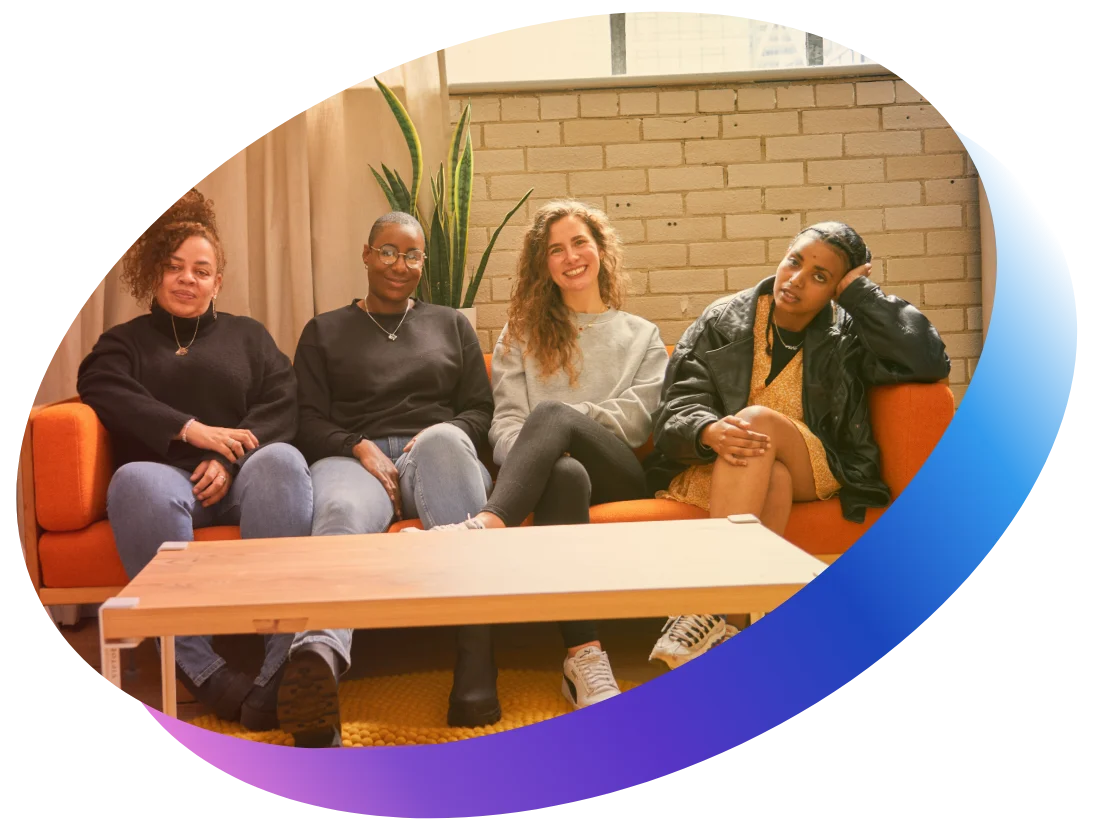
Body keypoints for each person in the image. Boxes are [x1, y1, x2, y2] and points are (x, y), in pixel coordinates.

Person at [642, 221, 951, 669]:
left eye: (821, 277)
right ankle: (732, 641)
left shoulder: (848, 333)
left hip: (819, 462)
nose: (797, 280)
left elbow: (927, 360)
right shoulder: (722, 319)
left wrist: (860, 296)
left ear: (837, 290)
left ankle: (707, 594)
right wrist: (706, 431)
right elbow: (675, 409)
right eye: (794, 261)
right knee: (772, 474)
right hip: (722, 464)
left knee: (756, 423)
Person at [406, 200, 669, 712]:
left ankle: (484, 526)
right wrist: (545, 451)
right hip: (552, 475)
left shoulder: (641, 335)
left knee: (552, 414)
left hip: (618, 469)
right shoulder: (520, 335)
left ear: (600, 250)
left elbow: (639, 422)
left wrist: (565, 423)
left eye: (579, 243)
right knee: (564, 472)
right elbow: (504, 427)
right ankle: (584, 655)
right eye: (556, 249)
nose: (570, 257)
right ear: (541, 264)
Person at [76, 188, 314, 731]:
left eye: (201, 270)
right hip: (166, 481)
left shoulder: (248, 335)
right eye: (176, 267)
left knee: (280, 462)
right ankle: (202, 670)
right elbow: (98, 383)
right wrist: (191, 433)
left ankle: (280, 667)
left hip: (245, 479)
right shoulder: (125, 342)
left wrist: (228, 457)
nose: (188, 279)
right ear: (155, 275)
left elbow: (283, 401)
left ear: (218, 282)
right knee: (133, 479)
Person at [277, 211, 496, 748]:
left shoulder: (451, 324)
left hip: (435, 454)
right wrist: (358, 445)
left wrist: (441, 430)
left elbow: (479, 411)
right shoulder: (324, 330)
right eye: (389, 252)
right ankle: (318, 660)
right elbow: (306, 419)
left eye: (413, 254)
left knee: (447, 442)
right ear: (367, 254)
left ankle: (475, 657)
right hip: (353, 458)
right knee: (341, 513)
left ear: (424, 260)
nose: (401, 265)